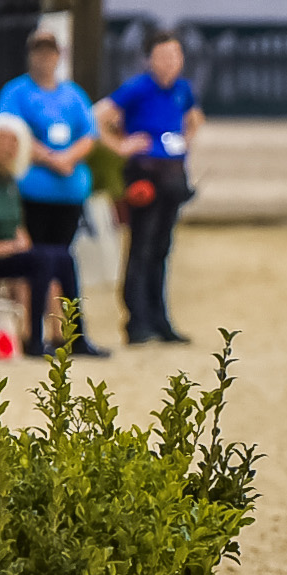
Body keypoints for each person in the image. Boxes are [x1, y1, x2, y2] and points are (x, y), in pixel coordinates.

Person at [0, 29, 109, 357]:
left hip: (68, 195)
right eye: (39, 52)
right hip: (33, 193)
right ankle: (32, 332)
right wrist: (49, 157)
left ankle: (64, 331)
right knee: (36, 264)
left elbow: (89, 133)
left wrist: (68, 158)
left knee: (63, 263)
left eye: (51, 53)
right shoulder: (16, 92)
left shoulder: (72, 95)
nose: (45, 59)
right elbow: (8, 133)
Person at [94, 29, 204, 344]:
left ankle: (159, 317)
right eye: (164, 56)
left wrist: (185, 142)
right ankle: (136, 317)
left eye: (175, 56)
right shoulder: (137, 89)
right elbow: (99, 116)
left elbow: (195, 118)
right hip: (145, 176)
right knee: (141, 244)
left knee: (162, 246)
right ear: (150, 59)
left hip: (172, 176)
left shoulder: (183, 90)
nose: (170, 63)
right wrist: (121, 146)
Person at [0, 113, 84, 357]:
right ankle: (34, 338)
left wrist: (20, 242)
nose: (8, 146)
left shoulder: (10, 180)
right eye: (2, 140)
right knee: (43, 261)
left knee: (62, 257)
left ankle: (77, 335)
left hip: (12, 250)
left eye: (14, 141)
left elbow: (19, 224)